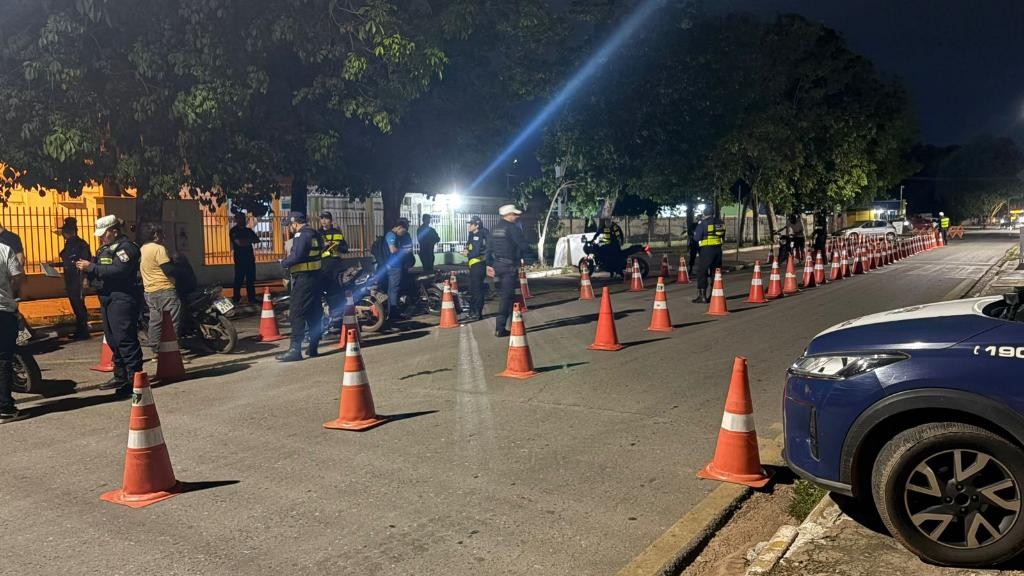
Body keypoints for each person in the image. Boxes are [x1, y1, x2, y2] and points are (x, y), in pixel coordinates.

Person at [76, 215, 142, 397]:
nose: (101, 238)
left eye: (104, 234)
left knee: (125, 339)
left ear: (114, 231)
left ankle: (136, 379)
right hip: (106, 298)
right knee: (113, 340)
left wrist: (91, 268)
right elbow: (99, 268)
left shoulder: (126, 248)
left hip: (122, 297)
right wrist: (88, 274)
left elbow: (119, 270)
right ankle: (120, 376)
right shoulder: (104, 249)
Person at [277, 212, 324, 362]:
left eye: (290, 225)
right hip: (316, 278)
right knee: (313, 312)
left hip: (304, 279)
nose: (290, 228)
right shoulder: (315, 234)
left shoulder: (301, 235)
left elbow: (297, 256)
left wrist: (283, 263)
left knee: (296, 312)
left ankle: (295, 350)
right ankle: (313, 346)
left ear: (295, 223)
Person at [140, 223, 182, 358]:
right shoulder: (159, 249)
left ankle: (156, 351)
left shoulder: (142, 249)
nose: (163, 236)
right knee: (171, 323)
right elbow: (167, 269)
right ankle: (171, 353)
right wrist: (179, 271)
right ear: (155, 235)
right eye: (161, 233)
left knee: (155, 322)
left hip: (149, 291)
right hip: (165, 289)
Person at [487, 204, 530, 336]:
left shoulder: (494, 229)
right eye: (514, 214)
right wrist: (530, 258)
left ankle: (512, 323)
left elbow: (488, 248)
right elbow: (523, 245)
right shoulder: (513, 228)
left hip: (497, 266)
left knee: (506, 296)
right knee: (506, 298)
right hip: (509, 267)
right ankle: (500, 328)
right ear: (508, 215)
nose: (516, 217)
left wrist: (488, 265)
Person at [54, 217, 92, 339]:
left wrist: (85, 279)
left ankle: (83, 331)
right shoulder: (69, 244)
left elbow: (85, 262)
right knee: (75, 304)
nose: (64, 235)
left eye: (65, 233)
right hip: (70, 278)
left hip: (78, 278)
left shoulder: (81, 245)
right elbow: (67, 260)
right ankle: (80, 329)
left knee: (79, 305)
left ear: (71, 232)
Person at [0, 239, 25, 422]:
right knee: (3, 359)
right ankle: (5, 408)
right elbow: (18, 277)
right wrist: (11, 293)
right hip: (3, 310)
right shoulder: (4, 250)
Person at [317, 210, 348, 329]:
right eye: (322, 218)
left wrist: (336, 246)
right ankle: (327, 318)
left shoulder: (337, 233)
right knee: (324, 293)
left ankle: (337, 319)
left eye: (326, 218)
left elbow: (345, 249)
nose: (324, 221)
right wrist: (323, 245)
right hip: (323, 266)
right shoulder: (318, 233)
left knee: (337, 293)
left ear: (331, 221)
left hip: (336, 266)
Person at [690, 209, 725, 303]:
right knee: (716, 272)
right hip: (718, 250)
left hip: (706, 250)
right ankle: (715, 295)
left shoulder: (703, 223)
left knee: (702, 272)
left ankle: (702, 296)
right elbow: (723, 236)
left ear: (704, 214)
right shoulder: (720, 222)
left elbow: (697, 238)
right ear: (713, 213)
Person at [385, 218, 413, 320]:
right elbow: (392, 250)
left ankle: (391, 312)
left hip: (394, 266)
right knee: (394, 290)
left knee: (392, 290)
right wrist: (404, 251)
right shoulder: (391, 235)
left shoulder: (394, 235)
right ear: (399, 227)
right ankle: (394, 314)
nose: (403, 233)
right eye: (403, 231)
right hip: (394, 267)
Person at [462, 215, 488, 321]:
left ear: (477, 225)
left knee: (477, 290)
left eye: (471, 224)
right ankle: (472, 312)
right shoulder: (473, 235)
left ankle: (477, 313)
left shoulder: (479, 235)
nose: (469, 226)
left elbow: (476, 252)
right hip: (473, 266)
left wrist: (467, 254)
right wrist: (467, 250)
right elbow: (470, 246)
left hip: (478, 266)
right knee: (473, 290)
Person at [229, 213, 259, 305]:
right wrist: (249, 240)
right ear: (236, 220)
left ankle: (251, 298)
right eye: (240, 218)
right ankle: (236, 298)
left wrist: (245, 240)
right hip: (240, 259)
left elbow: (257, 240)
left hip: (250, 258)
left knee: (250, 280)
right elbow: (239, 243)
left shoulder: (248, 230)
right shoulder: (234, 231)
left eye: (243, 218)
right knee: (239, 279)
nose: (242, 220)